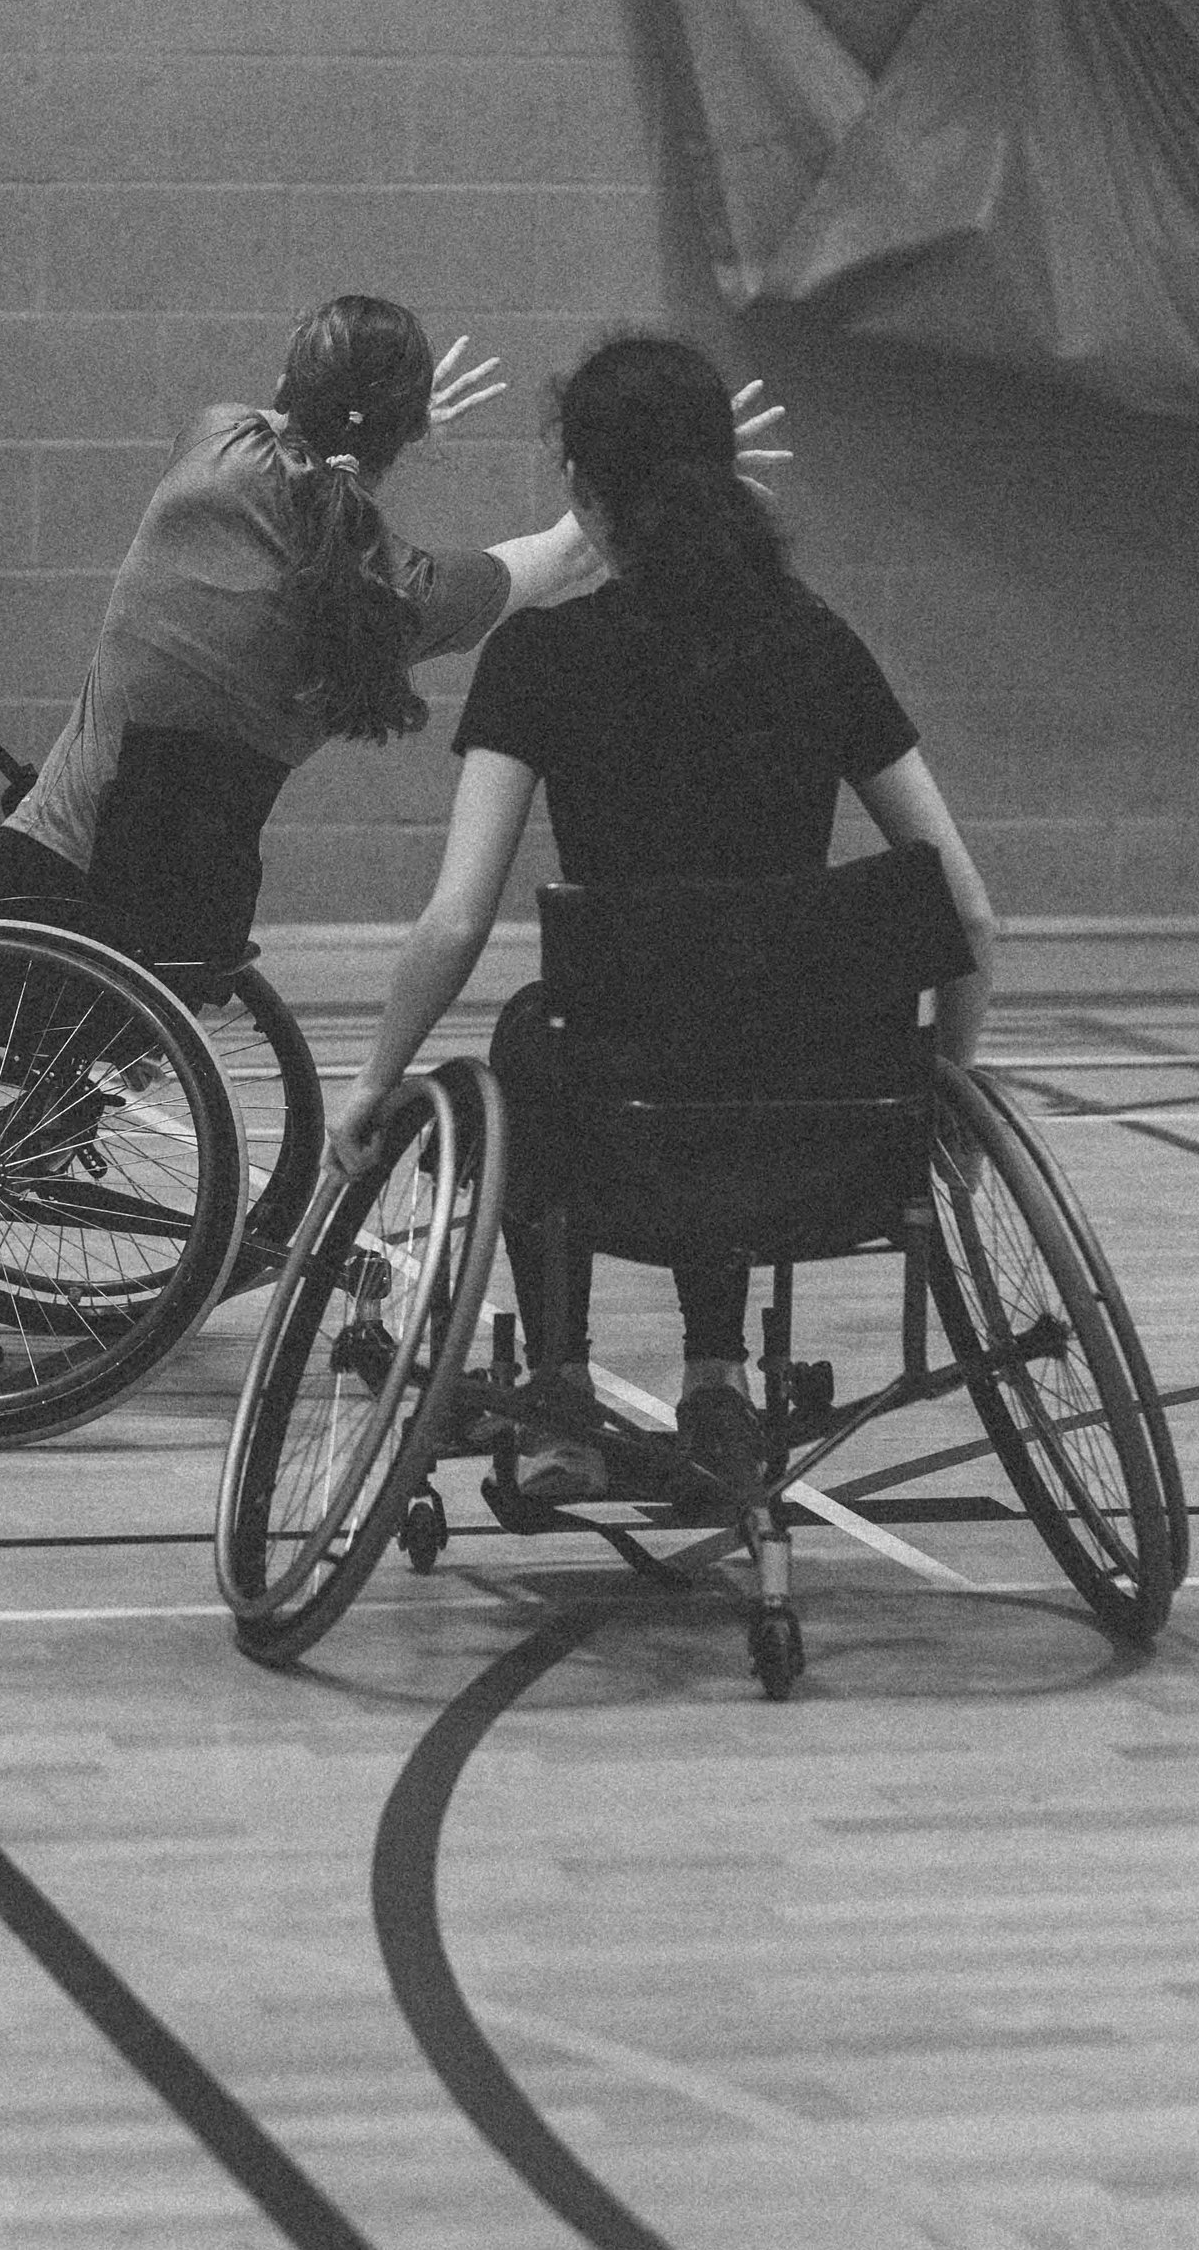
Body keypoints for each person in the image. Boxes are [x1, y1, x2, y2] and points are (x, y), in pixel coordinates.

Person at [0, 296, 782, 1196]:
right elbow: (558, 555)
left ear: (285, 384)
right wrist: (672, 476)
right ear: (406, 427)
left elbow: (312, 458)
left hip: (46, 889)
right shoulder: (398, 595)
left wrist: (397, 437)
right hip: (151, 916)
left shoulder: (215, 451)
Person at [327, 331, 1000, 1499]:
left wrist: (373, 1080)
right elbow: (969, 917)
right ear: (731, 476)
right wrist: (936, 1101)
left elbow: (453, 923)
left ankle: (559, 1390)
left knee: (531, 1039)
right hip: (818, 1113)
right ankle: (717, 1374)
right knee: (739, 1026)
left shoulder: (538, 657)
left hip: (614, 1109)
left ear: (582, 491)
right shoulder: (817, 641)